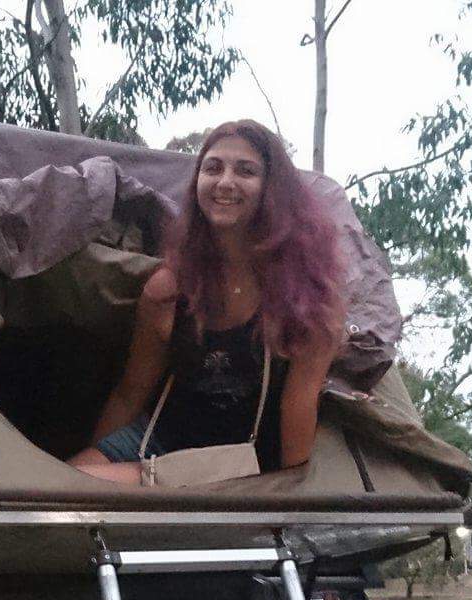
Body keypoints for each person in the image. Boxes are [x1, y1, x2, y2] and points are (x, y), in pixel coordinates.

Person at [69, 120, 343, 483]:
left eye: (245, 171)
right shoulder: (169, 289)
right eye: (213, 168)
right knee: (62, 485)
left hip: (237, 464)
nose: (225, 182)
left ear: (272, 190)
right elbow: (130, 393)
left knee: (72, 492)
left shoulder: (308, 301)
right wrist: (91, 464)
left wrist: (289, 506)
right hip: (156, 443)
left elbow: (299, 406)